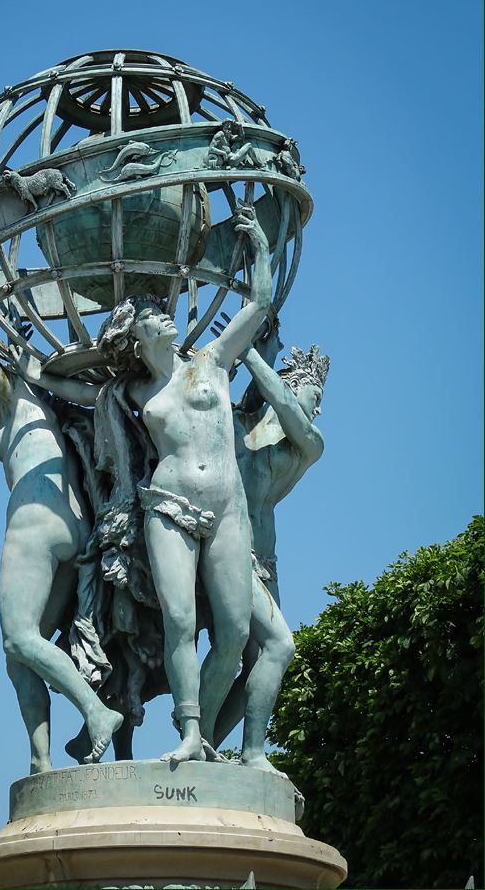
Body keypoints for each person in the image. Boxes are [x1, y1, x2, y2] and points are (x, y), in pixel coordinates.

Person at [16, 203, 273, 762]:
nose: (165, 316)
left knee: (231, 634)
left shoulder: (212, 360)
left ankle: (202, 737)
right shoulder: (128, 395)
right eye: (153, 316)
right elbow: (65, 387)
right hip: (167, 506)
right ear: (134, 338)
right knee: (180, 621)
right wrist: (24, 366)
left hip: (228, 508)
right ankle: (188, 733)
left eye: (162, 310)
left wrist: (258, 247)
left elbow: (257, 304)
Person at [0, 249, 123, 773]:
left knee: (17, 637)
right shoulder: (54, 401)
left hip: (35, 523)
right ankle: (41, 762)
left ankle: (94, 712)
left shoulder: (20, 390)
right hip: (75, 526)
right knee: (21, 650)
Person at [212, 318, 330, 770]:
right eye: (315, 396)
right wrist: (251, 349)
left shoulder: (309, 444)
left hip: (265, 562)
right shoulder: (240, 424)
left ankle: (213, 742)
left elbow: (287, 408)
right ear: (293, 384)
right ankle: (244, 750)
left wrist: (250, 352)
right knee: (277, 646)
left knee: (259, 659)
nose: (317, 409)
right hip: (227, 549)